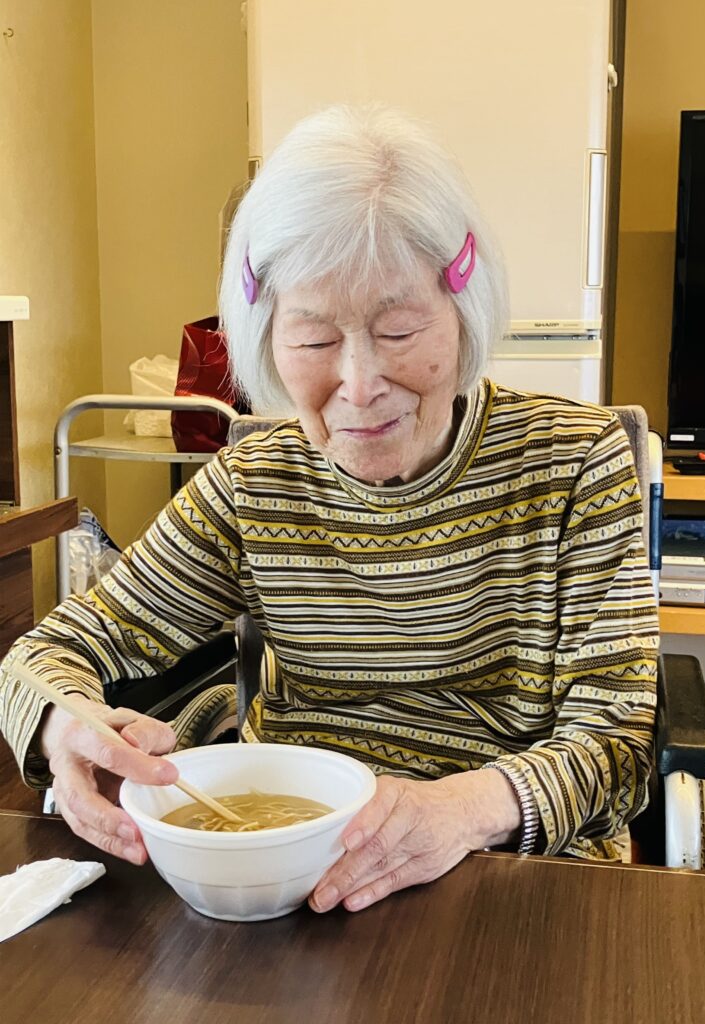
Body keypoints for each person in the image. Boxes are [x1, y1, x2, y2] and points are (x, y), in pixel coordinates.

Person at [0, 105, 658, 914]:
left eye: (399, 328)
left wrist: (459, 810)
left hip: (511, 877)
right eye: (313, 341)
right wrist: (63, 724)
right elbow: (50, 651)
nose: (358, 384)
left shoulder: (574, 462)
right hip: (295, 877)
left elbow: (619, 746)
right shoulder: (255, 482)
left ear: (465, 310)